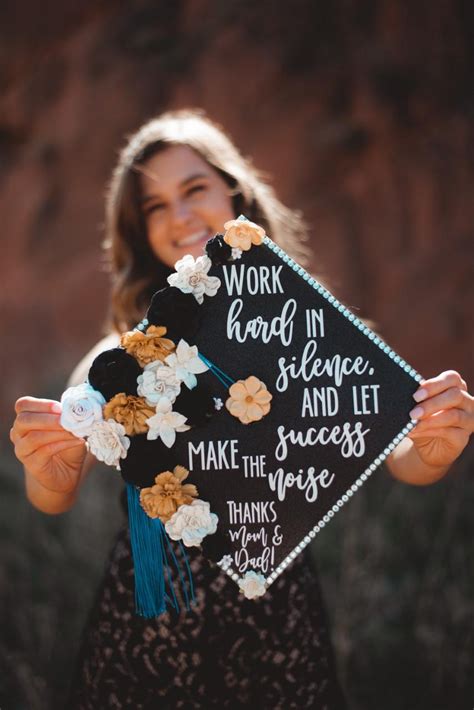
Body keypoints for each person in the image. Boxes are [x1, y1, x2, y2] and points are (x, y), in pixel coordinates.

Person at [10, 109, 473, 709]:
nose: (179, 216)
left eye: (194, 188)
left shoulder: (304, 327)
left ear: (235, 189)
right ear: (138, 229)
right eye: (154, 206)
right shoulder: (130, 347)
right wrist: (49, 468)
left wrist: (436, 446)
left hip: (278, 618)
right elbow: (59, 476)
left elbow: (403, 453)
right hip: (151, 620)